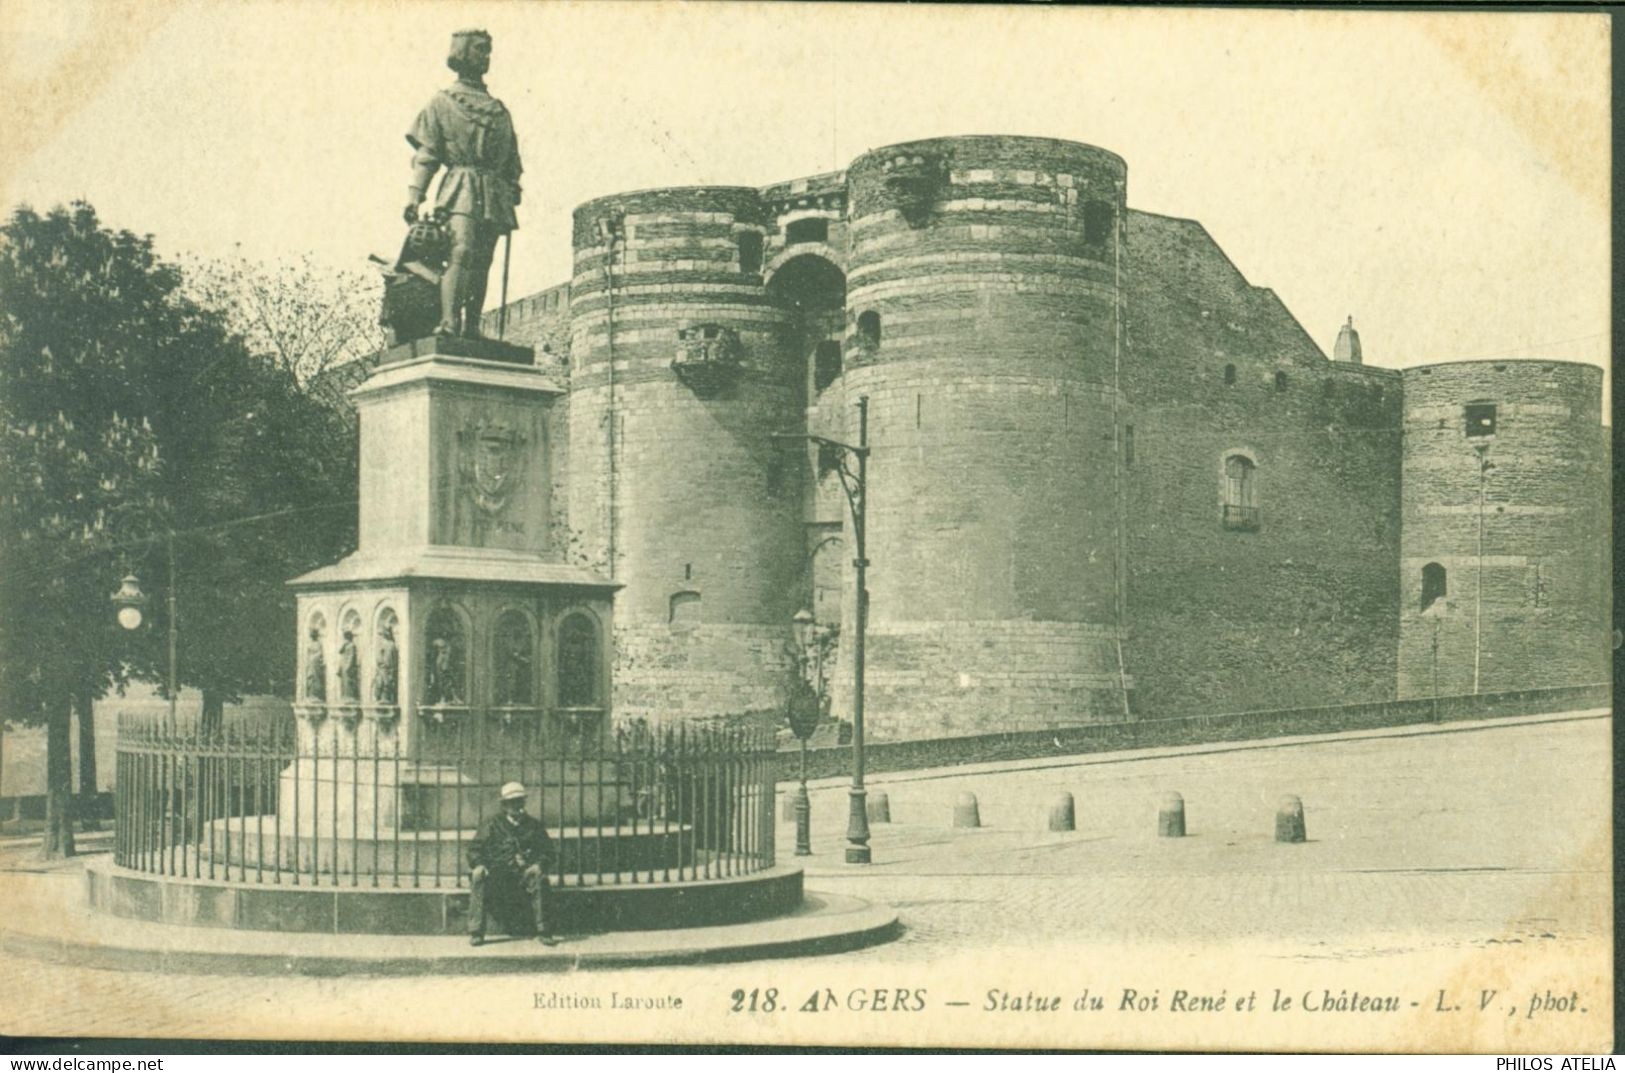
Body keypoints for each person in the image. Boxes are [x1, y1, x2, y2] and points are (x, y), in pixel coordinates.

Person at [403, 29, 522, 339]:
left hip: (494, 191)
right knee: (462, 251)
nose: (486, 56)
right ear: (462, 53)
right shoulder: (442, 102)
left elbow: (512, 160)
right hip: (460, 186)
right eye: (480, 50)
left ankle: (472, 326)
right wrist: (415, 196)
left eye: (488, 51)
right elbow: (427, 154)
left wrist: (512, 185)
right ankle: (449, 321)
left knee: (483, 261)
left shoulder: (500, 110)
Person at [467, 781, 556, 946]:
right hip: (498, 874)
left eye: (519, 801)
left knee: (539, 878)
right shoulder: (491, 824)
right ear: (504, 805)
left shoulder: (534, 826)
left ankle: (544, 931)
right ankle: (476, 932)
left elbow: (548, 852)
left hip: (524, 874)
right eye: (511, 802)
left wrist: (539, 865)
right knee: (477, 875)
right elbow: (474, 849)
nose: (516, 806)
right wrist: (479, 864)